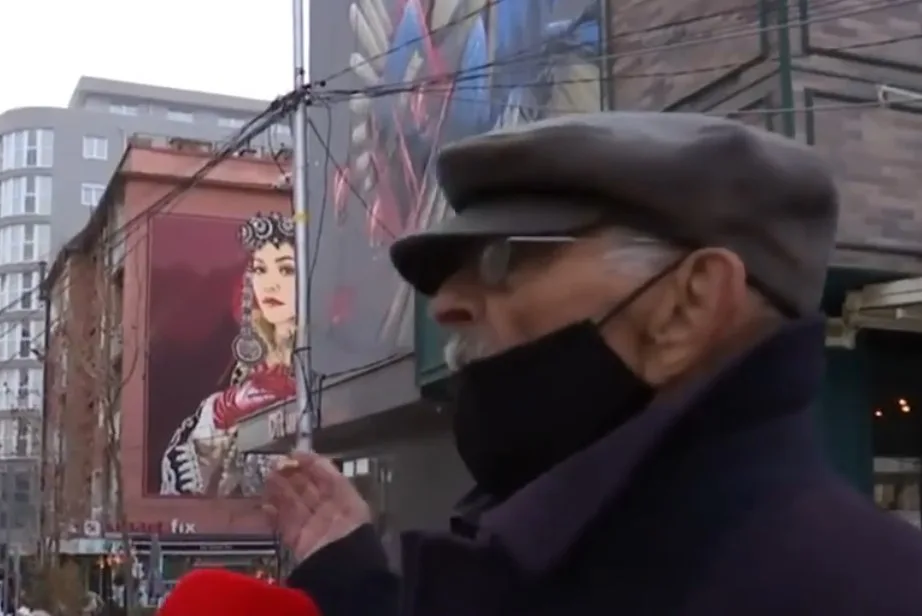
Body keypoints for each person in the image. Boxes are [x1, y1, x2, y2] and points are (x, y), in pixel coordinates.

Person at [263, 112, 922, 615]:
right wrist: (355, 584)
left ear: (687, 304)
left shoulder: (856, 593)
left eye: (503, 258)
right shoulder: (574, 558)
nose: (446, 305)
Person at [161, 211, 298, 496]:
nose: (270, 283)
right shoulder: (224, 405)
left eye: (286, 270)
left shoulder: (328, 370)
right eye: (260, 270)